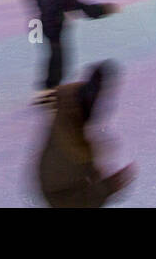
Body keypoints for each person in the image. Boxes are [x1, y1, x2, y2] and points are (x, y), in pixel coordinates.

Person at [35, 60, 135, 208]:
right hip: (63, 178)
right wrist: (107, 187)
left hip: (63, 175)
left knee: (72, 141)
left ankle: (81, 99)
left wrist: (107, 186)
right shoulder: (74, 152)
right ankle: (81, 98)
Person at [30, 0, 118, 100]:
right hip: (51, 24)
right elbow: (77, 6)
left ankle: (49, 89)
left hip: (41, 22)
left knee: (56, 55)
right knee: (58, 57)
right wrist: (103, 10)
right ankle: (49, 91)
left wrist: (41, 7)